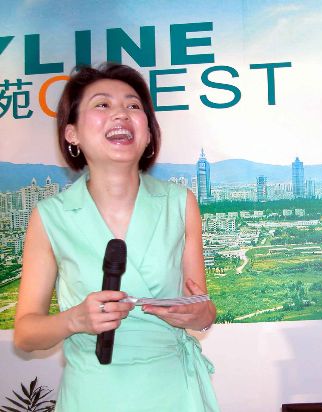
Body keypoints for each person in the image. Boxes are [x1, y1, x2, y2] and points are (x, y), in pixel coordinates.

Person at [14, 63, 219, 412]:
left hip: (172, 390)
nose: (121, 113)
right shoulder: (50, 216)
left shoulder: (180, 203)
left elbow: (203, 308)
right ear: (72, 134)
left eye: (133, 105)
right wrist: (75, 320)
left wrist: (197, 314)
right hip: (93, 393)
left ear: (148, 133)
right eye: (102, 104)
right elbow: (25, 334)